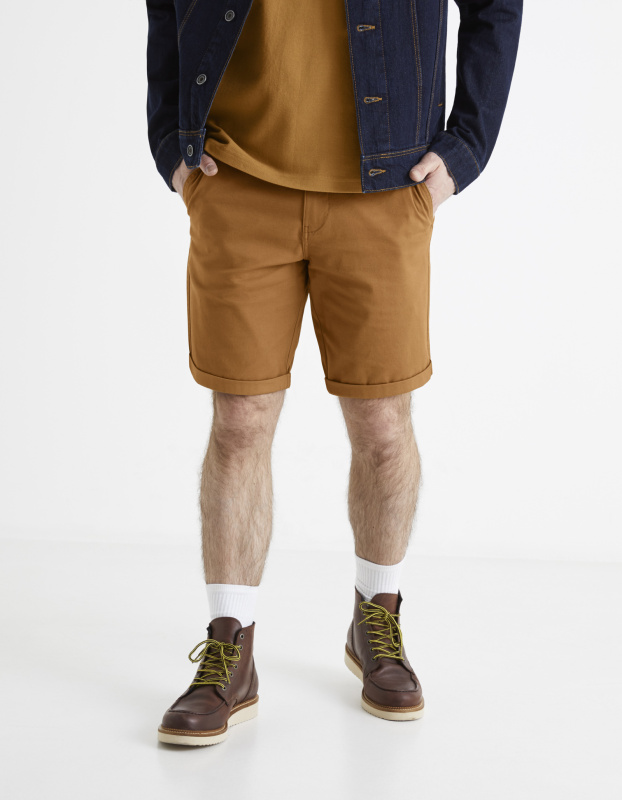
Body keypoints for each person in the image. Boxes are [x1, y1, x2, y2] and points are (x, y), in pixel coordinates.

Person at [146, 0, 522, 745]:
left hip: (385, 185)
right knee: (238, 422)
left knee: (382, 423)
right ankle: (230, 649)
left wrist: (468, 144)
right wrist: (170, 141)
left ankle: (376, 618)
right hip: (236, 176)